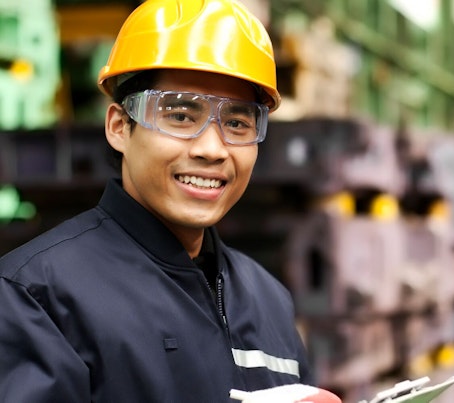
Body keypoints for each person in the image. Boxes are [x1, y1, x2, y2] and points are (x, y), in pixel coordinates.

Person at [0, 0, 319, 401]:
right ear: (119, 127)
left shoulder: (267, 298)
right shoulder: (36, 297)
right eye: (181, 116)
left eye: (237, 123)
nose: (212, 148)